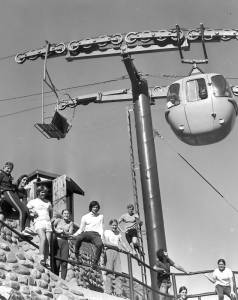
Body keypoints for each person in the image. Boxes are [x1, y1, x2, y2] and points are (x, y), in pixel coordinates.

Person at [27, 185, 53, 266]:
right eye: (42, 192)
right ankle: (41, 256)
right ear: (38, 192)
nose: (43, 194)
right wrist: (32, 213)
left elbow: (51, 213)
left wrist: (50, 221)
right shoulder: (33, 201)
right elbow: (27, 209)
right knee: (43, 238)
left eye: (45, 192)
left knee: (48, 242)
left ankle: (45, 260)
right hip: (38, 222)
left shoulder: (48, 203)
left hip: (47, 223)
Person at [73, 200, 104, 267]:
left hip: (96, 234)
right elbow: (81, 229)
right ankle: (77, 255)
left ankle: (95, 262)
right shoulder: (85, 217)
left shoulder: (101, 216)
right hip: (87, 233)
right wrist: (74, 235)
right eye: (94, 207)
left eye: (96, 207)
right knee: (79, 238)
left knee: (100, 245)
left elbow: (101, 227)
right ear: (91, 208)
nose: (95, 209)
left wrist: (102, 237)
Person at [0, 162, 29, 232]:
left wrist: (25, 208)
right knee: (2, 216)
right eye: (24, 180)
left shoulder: (24, 192)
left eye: (11, 169)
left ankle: (25, 229)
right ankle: (21, 231)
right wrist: (1, 194)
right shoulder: (12, 187)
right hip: (5, 202)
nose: (9, 170)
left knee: (26, 211)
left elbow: (24, 203)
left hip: (11, 208)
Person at [103, 219, 129, 296]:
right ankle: (108, 291)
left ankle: (119, 292)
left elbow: (122, 242)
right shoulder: (107, 232)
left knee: (118, 272)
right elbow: (105, 242)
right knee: (109, 271)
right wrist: (116, 246)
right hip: (109, 251)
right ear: (110, 225)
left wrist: (128, 250)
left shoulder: (118, 233)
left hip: (117, 252)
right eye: (113, 225)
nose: (114, 227)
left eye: (116, 225)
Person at [52, 209, 74, 279]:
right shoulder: (58, 220)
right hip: (57, 242)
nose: (66, 215)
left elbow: (70, 233)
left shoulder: (70, 223)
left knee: (64, 262)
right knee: (57, 262)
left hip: (65, 242)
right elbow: (52, 227)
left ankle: (63, 280)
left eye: (67, 213)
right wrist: (56, 231)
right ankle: (56, 278)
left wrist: (64, 232)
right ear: (62, 214)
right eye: (65, 213)